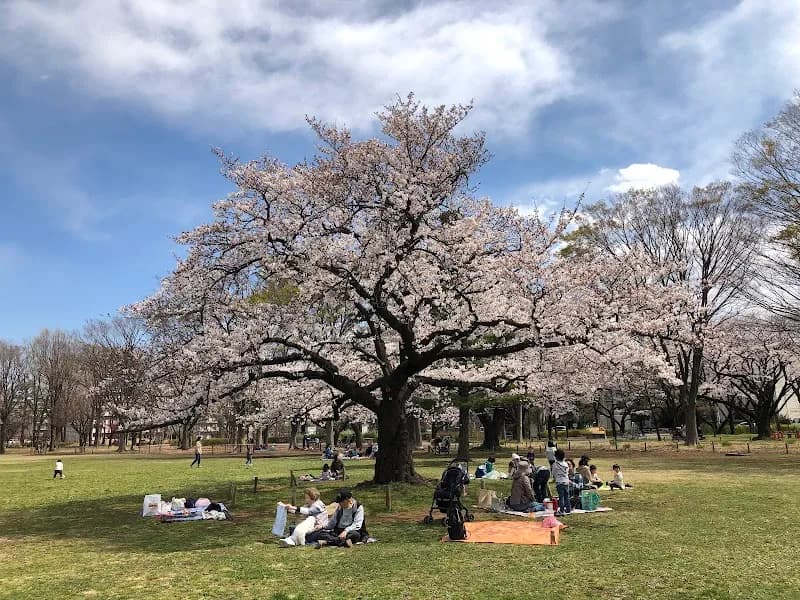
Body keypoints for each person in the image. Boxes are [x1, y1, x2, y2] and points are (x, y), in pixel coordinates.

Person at [552, 448, 571, 516]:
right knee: (567, 496)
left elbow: (553, 473)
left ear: (556, 457)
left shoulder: (555, 464)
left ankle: (561, 510)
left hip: (559, 482)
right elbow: (567, 472)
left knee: (561, 497)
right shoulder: (565, 464)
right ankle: (568, 509)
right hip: (566, 481)